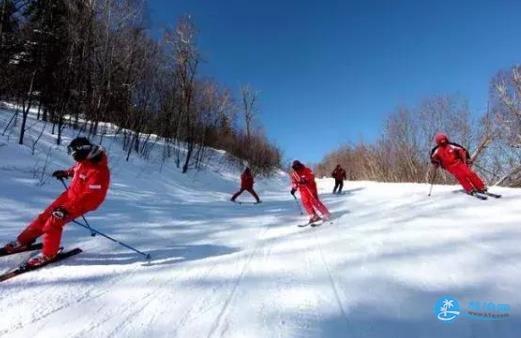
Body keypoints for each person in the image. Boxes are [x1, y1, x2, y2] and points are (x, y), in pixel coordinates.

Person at [2, 137, 110, 267]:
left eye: (73, 153)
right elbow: (76, 169)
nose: (72, 156)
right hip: (70, 195)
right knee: (45, 216)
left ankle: (49, 254)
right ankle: (23, 241)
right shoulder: (85, 160)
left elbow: (91, 196)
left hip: (84, 201)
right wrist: (66, 173)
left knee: (54, 220)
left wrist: (67, 209)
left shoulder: (99, 171)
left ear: (81, 151)